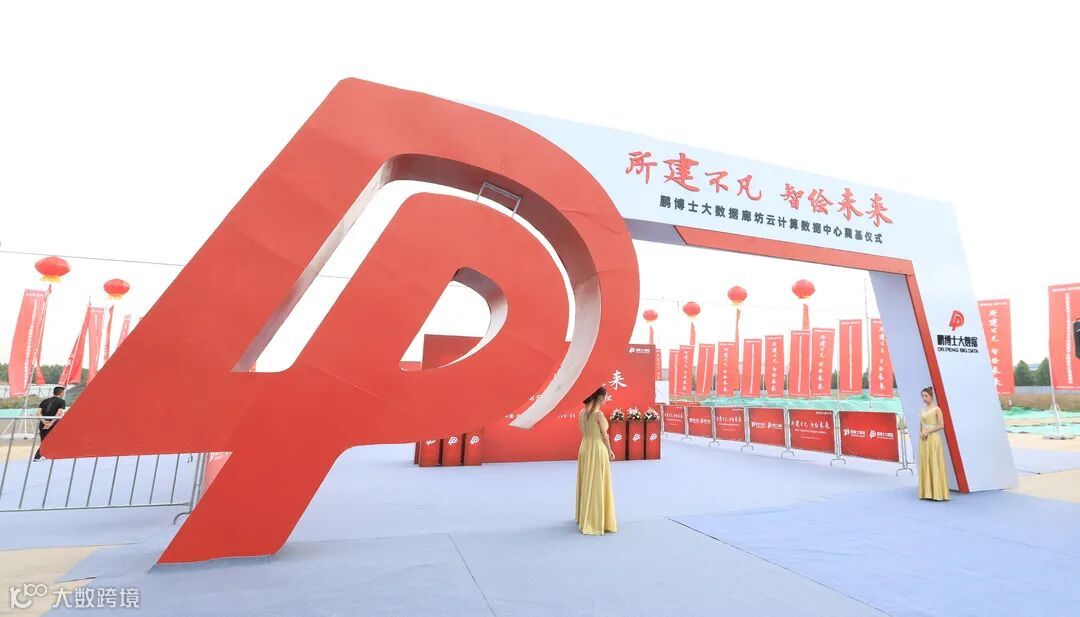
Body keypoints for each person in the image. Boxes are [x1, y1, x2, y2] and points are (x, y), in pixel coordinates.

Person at [575, 386, 617, 535]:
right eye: (606, 397)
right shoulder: (598, 415)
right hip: (597, 449)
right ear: (600, 398)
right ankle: (595, 520)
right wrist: (610, 451)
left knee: (588, 481)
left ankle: (585, 516)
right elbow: (605, 436)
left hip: (585, 448)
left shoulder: (581, 413)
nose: (607, 399)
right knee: (598, 482)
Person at [917, 386, 949, 501]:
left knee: (934, 461)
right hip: (924, 439)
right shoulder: (922, 410)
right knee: (925, 462)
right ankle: (927, 492)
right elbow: (921, 425)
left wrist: (928, 431)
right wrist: (921, 433)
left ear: (931, 396)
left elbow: (941, 425)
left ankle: (937, 492)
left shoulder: (937, 409)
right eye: (922, 396)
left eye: (926, 396)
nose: (924, 398)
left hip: (933, 438)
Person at [33, 386, 67, 462]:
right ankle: (38, 457)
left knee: (44, 441)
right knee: (49, 441)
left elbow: (38, 413)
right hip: (53, 424)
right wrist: (51, 423)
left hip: (43, 424)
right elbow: (59, 413)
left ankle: (45, 456)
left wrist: (44, 421)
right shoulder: (62, 402)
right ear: (61, 393)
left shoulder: (44, 401)